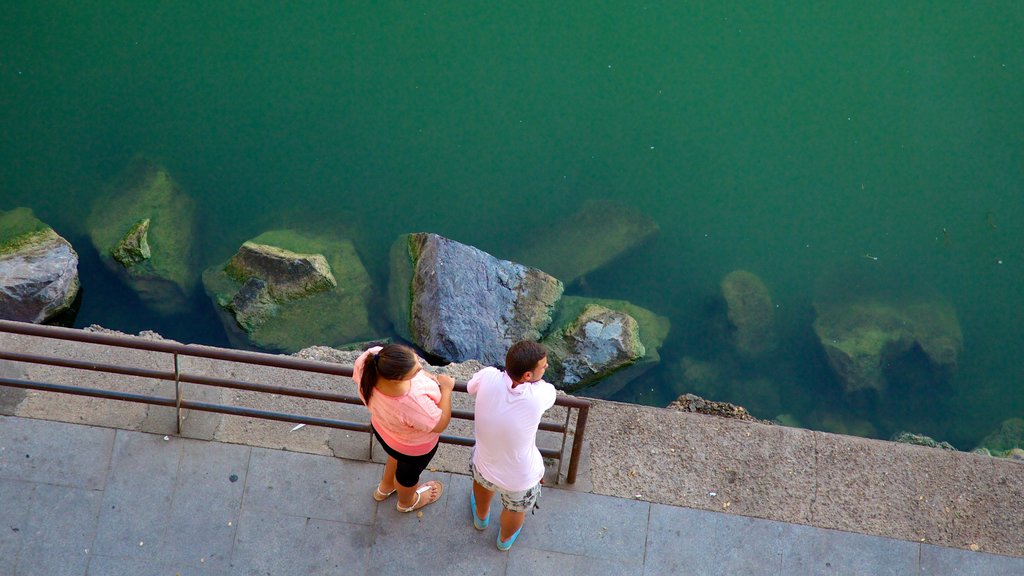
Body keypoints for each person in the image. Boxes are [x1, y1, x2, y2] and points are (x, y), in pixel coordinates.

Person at [467, 341, 556, 551]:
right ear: (527, 376)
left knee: (482, 484)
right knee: (516, 510)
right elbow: (549, 393)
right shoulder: (539, 395)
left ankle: (481, 518)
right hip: (521, 477)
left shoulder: (488, 375)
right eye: (543, 366)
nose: (547, 367)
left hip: (483, 462)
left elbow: (471, 387)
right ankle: (504, 541)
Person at [352, 343, 454, 513]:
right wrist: (447, 389)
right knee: (407, 476)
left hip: (384, 431)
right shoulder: (412, 403)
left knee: (395, 455)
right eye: (415, 371)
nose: (421, 367)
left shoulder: (371, 361)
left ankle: (385, 487)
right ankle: (406, 502)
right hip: (412, 448)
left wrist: (418, 373)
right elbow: (440, 424)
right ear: (396, 379)